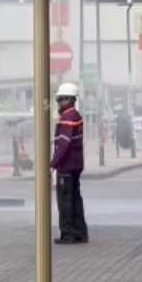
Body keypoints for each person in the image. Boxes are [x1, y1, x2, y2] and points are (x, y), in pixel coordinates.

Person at [52, 82, 89, 245]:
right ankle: (80, 232)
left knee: (65, 200)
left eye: (60, 99)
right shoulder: (77, 116)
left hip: (66, 166)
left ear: (68, 99)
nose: (59, 103)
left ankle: (67, 234)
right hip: (76, 164)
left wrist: (53, 164)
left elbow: (64, 144)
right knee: (75, 199)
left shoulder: (67, 118)